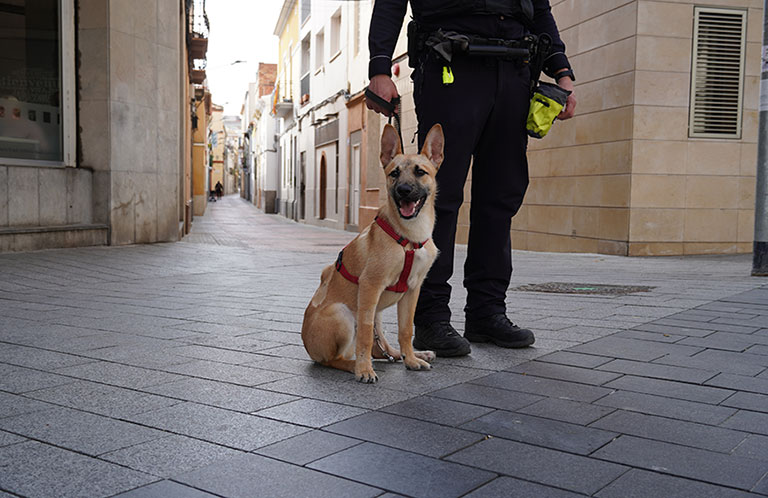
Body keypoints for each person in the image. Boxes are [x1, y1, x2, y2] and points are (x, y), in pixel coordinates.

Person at [366, 0, 576, 357]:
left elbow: (540, 9)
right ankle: (431, 319)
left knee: (500, 198)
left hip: (515, 72)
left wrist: (562, 73)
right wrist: (379, 68)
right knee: (438, 198)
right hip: (451, 64)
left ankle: (487, 313)